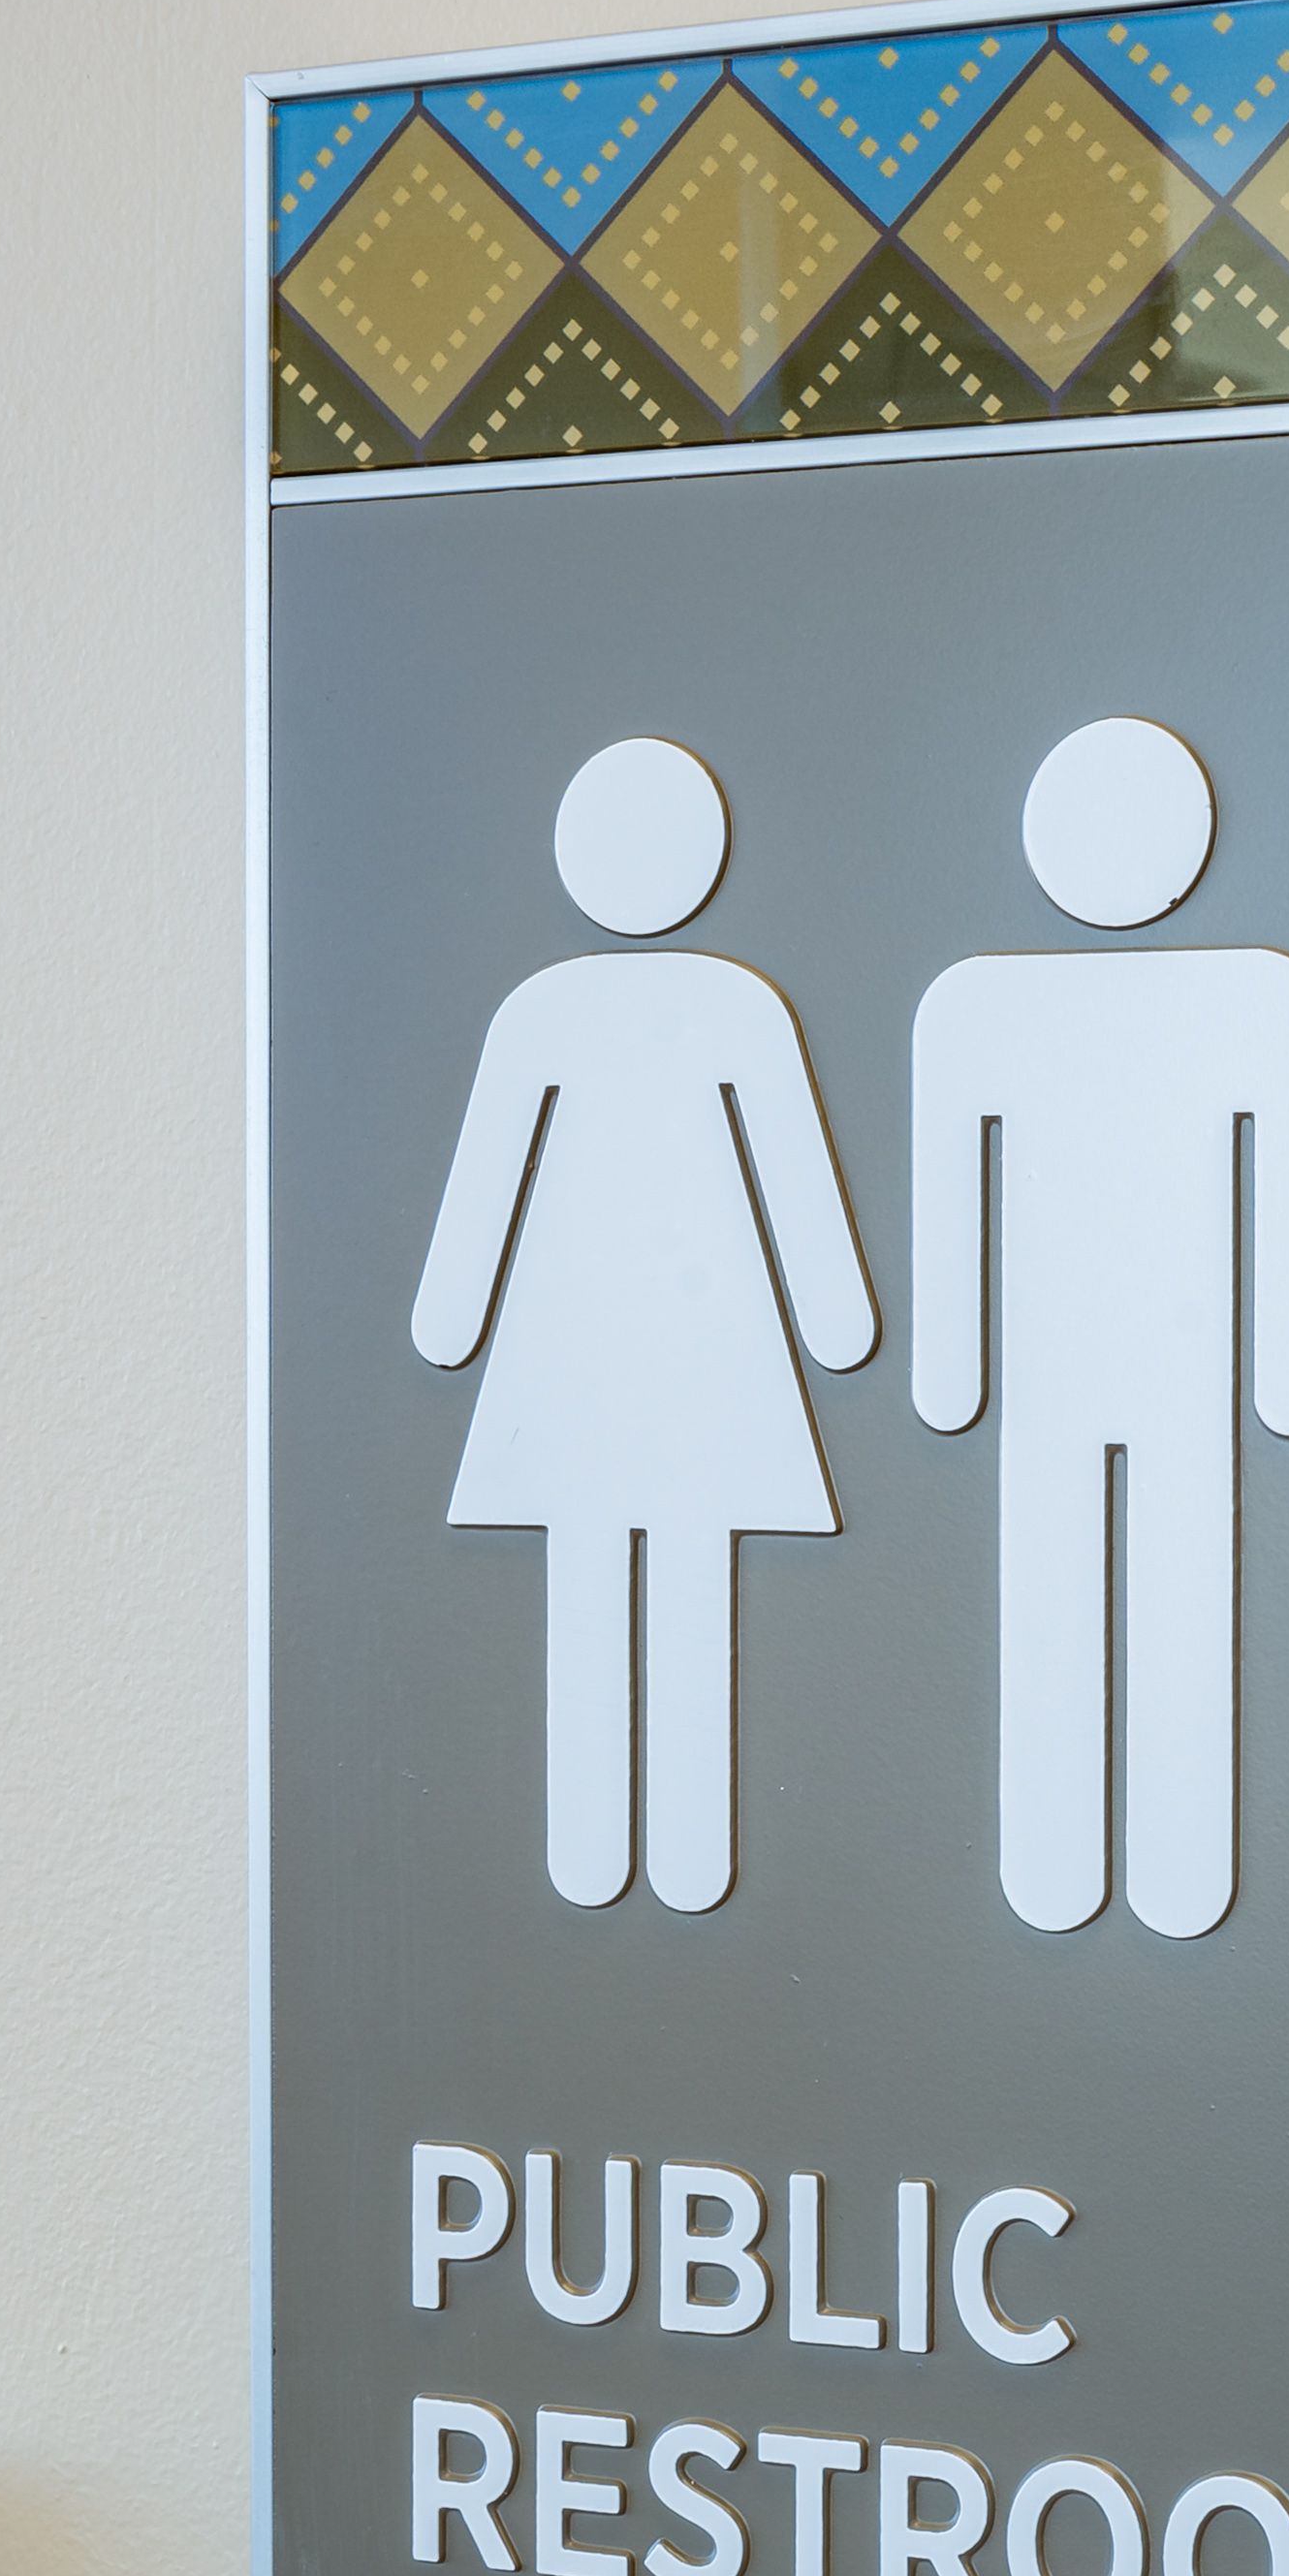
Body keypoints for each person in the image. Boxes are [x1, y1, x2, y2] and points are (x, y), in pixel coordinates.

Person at [406, 738, 877, 1912]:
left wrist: (452, 1317)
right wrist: (834, 1320)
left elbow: (478, 1212)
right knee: (660, 1570)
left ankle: (640, 1847)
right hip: (669, 1359)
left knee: (618, 1575)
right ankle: (648, 1849)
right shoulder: (721, 1003)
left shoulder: (573, 1008)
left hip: (619, 1354)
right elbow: (797, 1189)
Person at [909, 717, 1289, 1938]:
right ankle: (1060, 1862)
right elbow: (952, 1190)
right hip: (1078, 1366)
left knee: (1171, 1584)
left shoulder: (1255, 998)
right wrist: (948, 1363)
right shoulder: (982, 1005)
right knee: (1068, 1587)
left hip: (1168, 1365)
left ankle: (1174, 1866)